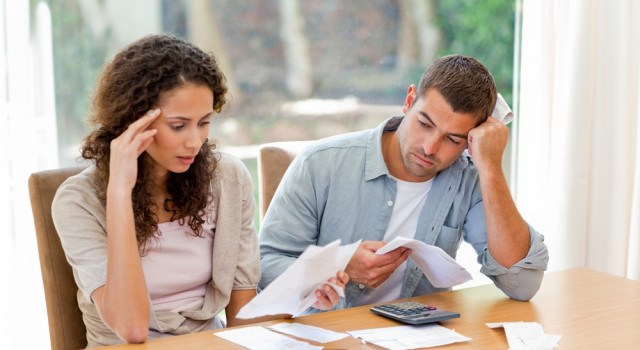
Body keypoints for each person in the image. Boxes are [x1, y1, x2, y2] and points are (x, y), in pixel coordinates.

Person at [52, 34, 348, 347]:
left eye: (204, 122)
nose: (195, 141)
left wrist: (301, 295)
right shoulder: (78, 201)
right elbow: (132, 330)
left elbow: (241, 319)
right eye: (178, 126)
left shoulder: (226, 179)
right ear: (133, 121)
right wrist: (119, 193)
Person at [259, 54, 549, 311]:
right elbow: (263, 265)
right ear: (409, 101)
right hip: (329, 339)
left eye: (453, 139)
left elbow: (521, 285)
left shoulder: (468, 179)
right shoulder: (319, 163)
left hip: (419, 340)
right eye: (424, 124)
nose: (430, 148)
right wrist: (338, 263)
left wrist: (491, 166)